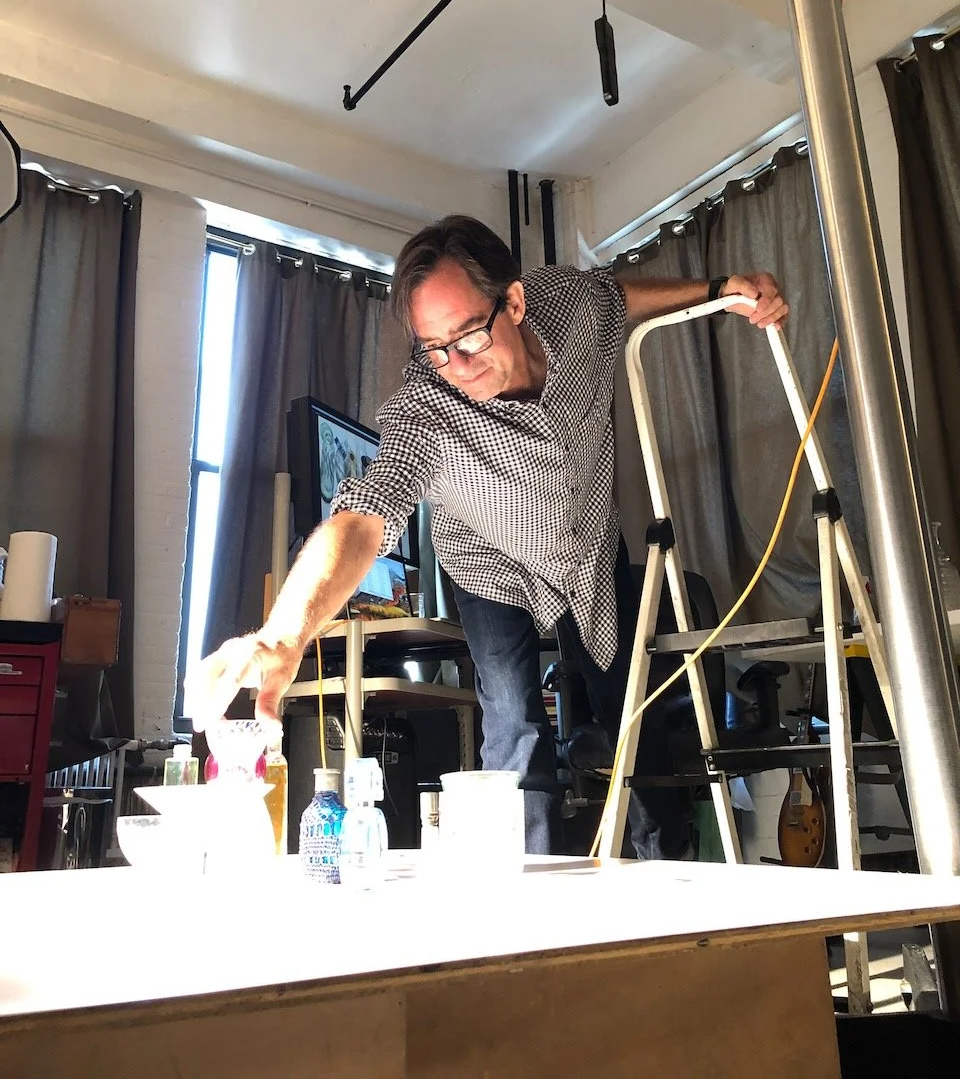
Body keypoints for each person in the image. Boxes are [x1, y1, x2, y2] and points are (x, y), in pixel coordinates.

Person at [189, 216, 788, 858]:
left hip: (589, 544)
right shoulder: (425, 407)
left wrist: (722, 288)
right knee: (515, 726)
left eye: (470, 335)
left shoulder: (570, 305)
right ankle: (526, 905)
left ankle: (669, 881)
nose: (458, 365)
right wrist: (282, 635)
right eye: (434, 348)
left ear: (516, 303)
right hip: (489, 566)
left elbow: (622, 296)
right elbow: (363, 515)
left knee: (632, 718)